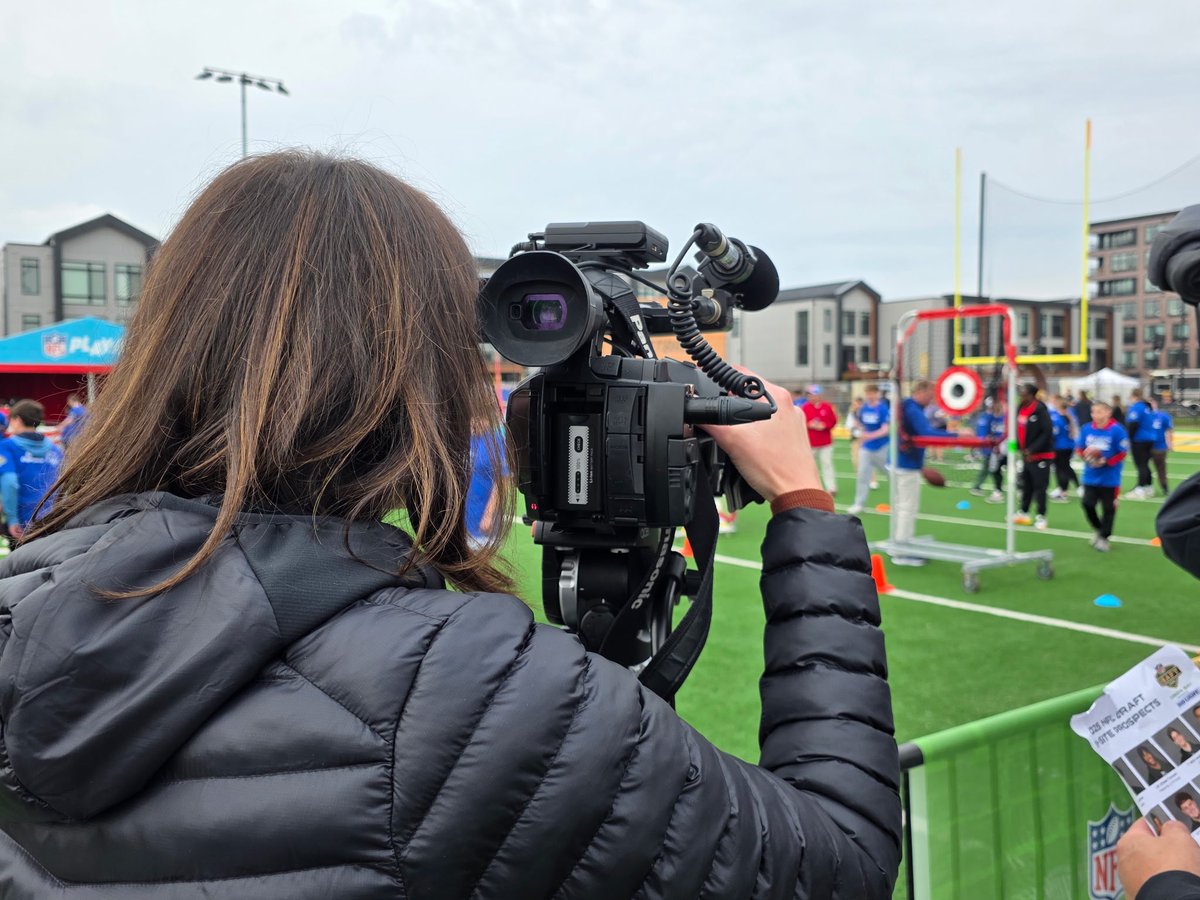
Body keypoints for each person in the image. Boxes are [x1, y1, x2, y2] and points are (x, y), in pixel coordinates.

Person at [0, 152, 901, 898]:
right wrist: (803, 508)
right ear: (418, 375)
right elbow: (841, 862)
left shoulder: (23, 597)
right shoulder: (464, 694)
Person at [891, 380, 956, 567]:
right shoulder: (912, 408)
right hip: (905, 464)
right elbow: (926, 432)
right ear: (920, 391)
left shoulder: (908, 406)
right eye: (930, 393)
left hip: (901, 461)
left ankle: (898, 543)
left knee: (900, 506)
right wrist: (955, 436)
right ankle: (902, 551)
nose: (932, 398)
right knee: (906, 508)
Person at [0, 399, 64, 543]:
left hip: (22, 522)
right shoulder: (56, 450)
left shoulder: (6, 447)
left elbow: (9, 482)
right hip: (53, 519)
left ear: (17, 420)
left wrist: (11, 519)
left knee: (21, 564)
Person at [1077, 401, 1129, 552]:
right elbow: (1080, 448)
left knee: (1108, 508)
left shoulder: (1117, 430)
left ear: (1108, 413)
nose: (1096, 415)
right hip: (1090, 476)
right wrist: (1086, 457)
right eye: (1093, 412)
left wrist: (1106, 461)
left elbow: (1123, 452)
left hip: (1110, 478)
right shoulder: (1087, 429)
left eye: (1099, 412)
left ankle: (1104, 538)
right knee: (1087, 504)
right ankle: (1099, 529)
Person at [1012, 383, 1053, 530]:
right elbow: (1017, 429)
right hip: (1025, 455)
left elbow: (1047, 432)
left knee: (1040, 487)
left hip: (1041, 455)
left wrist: (1033, 449)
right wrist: (1015, 446)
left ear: (1031, 394)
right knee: (1026, 485)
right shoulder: (1020, 408)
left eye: (1023, 392)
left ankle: (1041, 516)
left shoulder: (1040, 409)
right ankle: (1024, 512)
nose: (1020, 394)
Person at [848, 383, 889, 515]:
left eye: (873, 393)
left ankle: (900, 501)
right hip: (866, 448)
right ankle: (859, 504)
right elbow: (860, 424)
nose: (870, 396)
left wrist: (868, 436)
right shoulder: (864, 408)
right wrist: (858, 429)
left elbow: (885, 430)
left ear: (877, 394)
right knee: (862, 476)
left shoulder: (882, 409)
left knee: (891, 474)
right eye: (868, 393)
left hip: (882, 447)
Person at [801, 384, 839, 497]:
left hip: (825, 443)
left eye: (814, 394)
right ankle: (809, 487)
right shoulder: (805, 407)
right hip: (810, 443)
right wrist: (809, 425)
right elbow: (800, 422)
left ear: (819, 395)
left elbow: (833, 421)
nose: (811, 397)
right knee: (809, 467)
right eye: (809, 395)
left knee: (827, 465)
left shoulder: (827, 407)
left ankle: (831, 488)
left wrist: (824, 425)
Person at [1127, 388, 1157, 499]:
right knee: (1145, 464)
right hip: (1150, 438)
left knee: (1141, 464)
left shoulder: (1137, 407)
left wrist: (1129, 438)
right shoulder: (1147, 407)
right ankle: (1149, 487)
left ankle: (1140, 489)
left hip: (1139, 439)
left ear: (1133, 396)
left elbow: (1133, 424)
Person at [1048, 397, 1080, 502]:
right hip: (1069, 445)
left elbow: (1054, 433)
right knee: (1066, 467)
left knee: (1061, 469)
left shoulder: (1057, 418)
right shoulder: (1070, 415)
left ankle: (1063, 491)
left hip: (1060, 446)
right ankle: (1068, 488)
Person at [1151, 401, 1174, 497]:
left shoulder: (1163, 416)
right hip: (1145, 447)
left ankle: (1165, 487)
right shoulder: (1144, 416)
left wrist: (1170, 443)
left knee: (1161, 469)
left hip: (1159, 446)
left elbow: (1169, 429)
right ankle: (1144, 487)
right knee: (1143, 468)